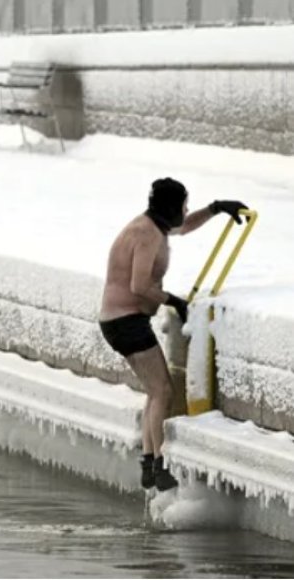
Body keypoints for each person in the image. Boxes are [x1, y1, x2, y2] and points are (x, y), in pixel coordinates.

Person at [98, 178, 248, 491]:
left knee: (155, 392)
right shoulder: (145, 233)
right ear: (170, 207)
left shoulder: (155, 226)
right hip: (126, 322)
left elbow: (184, 226)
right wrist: (174, 301)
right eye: (184, 205)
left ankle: (150, 464)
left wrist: (216, 209)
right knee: (163, 391)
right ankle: (157, 463)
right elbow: (139, 286)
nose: (186, 210)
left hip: (124, 320)